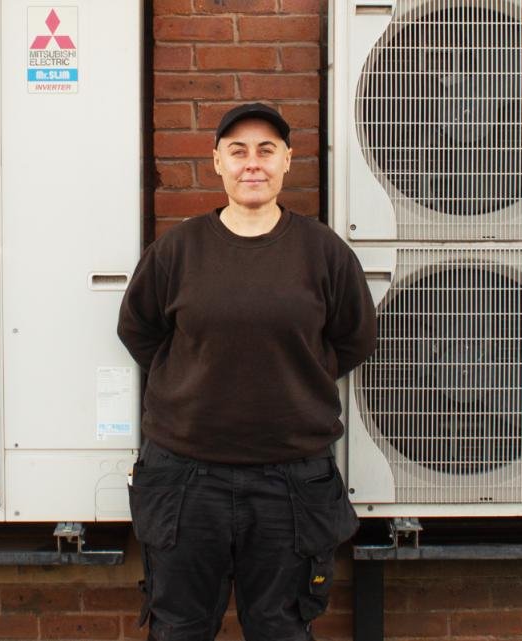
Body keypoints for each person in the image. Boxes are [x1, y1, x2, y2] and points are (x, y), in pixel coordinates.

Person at [117, 102, 377, 641]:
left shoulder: (323, 252)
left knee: (281, 629)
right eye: (237, 151)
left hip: (291, 481)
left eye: (266, 150)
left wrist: (297, 377)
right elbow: (139, 331)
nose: (251, 163)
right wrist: (191, 377)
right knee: (179, 630)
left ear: (288, 161)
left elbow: (355, 338)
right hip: (185, 480)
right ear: (216, 163)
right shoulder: (177, 251)